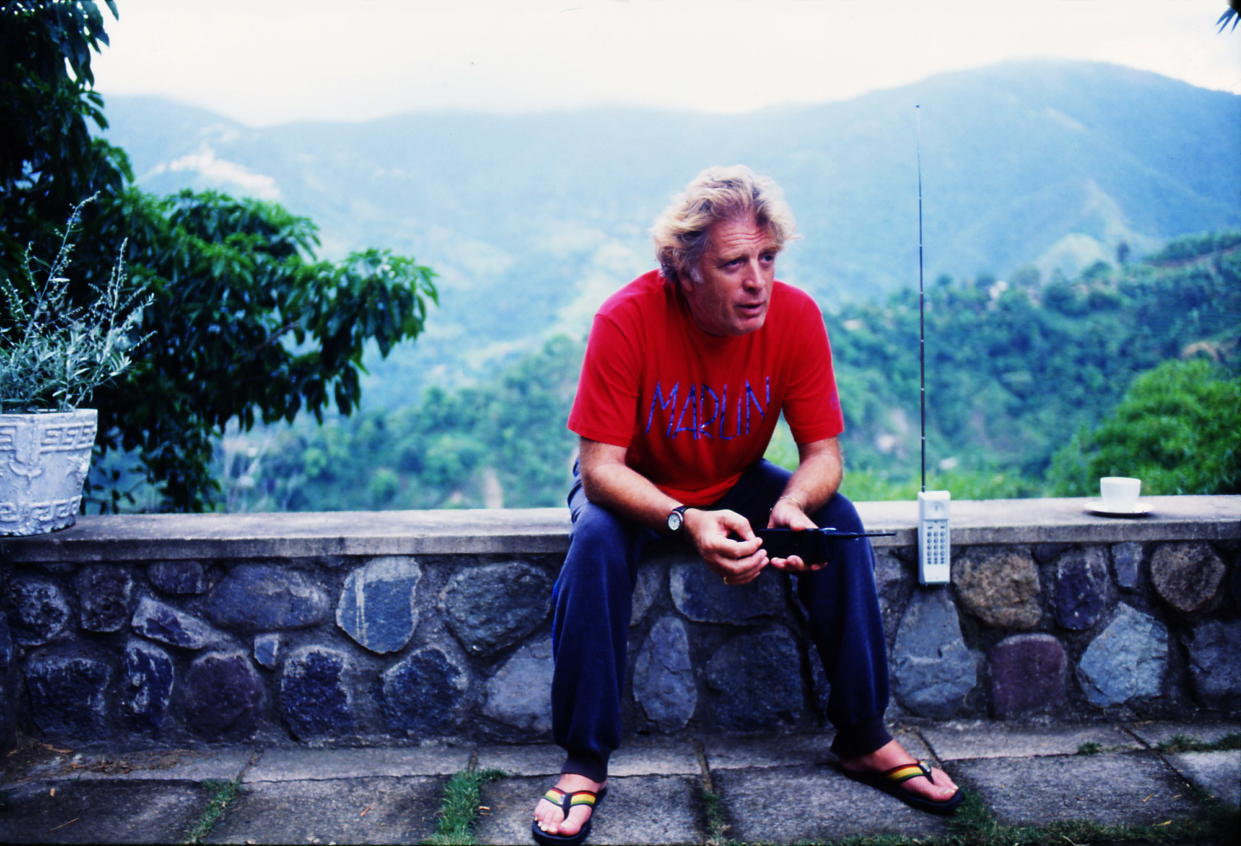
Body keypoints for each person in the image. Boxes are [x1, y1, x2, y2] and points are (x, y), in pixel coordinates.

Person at [531, 165, 961, 846]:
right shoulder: (626, 318)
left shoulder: (793, 317)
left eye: (767, 258)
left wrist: (792, 505)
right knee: (593, 546)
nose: (756, 280)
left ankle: (862, 735)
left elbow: (823, 456)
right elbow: (599, 468)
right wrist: (684, 520)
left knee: (837, 520)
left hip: (734, 476)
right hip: (636, 483)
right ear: (685, 268)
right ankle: (585, 759)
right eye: (734, 263)